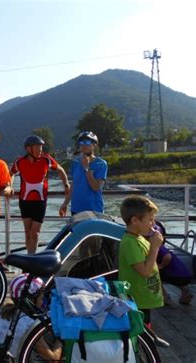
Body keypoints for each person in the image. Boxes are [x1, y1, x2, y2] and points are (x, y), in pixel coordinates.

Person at [118, 195, 169, 348]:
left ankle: (149, 337)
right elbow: (144, 271)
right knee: (137, 330)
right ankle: (143, 347)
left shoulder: (139, 238)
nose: (153, 224)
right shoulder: (129, 242)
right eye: (150, 220)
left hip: (143, 296)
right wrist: (154, 247)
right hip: (136, 298)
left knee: (145, 323)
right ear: (135, 220)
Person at [10, 135, 70, 254]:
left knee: (35, 232)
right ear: (28, 149)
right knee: (28, 232)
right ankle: (29, 259)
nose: (40, 150)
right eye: (37, 147)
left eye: (41, 148)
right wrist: (10, 185)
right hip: (25, 201)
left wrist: (66, 183)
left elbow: (60, 169)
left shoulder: (46, 159)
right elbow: (10, 174)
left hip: (40, 202)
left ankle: (32, 260)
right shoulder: (19, 162)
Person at [0, 273, 62, 360]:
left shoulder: (4, 311)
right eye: (41, 298)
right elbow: (53, 359)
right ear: (31, 300)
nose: (42, 302)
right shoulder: (30, 325)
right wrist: (60, 341)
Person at [59, 131, 107, 216]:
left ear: (94, 145)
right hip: (76, 209)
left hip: (94, 209)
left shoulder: (101, 164)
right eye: (81, 142)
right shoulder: (75, 163)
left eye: (87, 142)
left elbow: (96, 187)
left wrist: (86, 168)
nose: (84, 145)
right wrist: (65, 203)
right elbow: (74, 185)